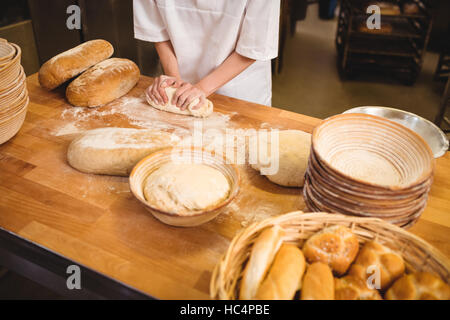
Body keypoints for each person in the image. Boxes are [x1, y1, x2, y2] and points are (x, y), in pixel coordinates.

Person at [133, 0, 280, 110]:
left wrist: (201, 88)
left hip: (238, 90)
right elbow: (157, 30)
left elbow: (255, 45)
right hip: (182, 75)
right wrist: (175, 83)